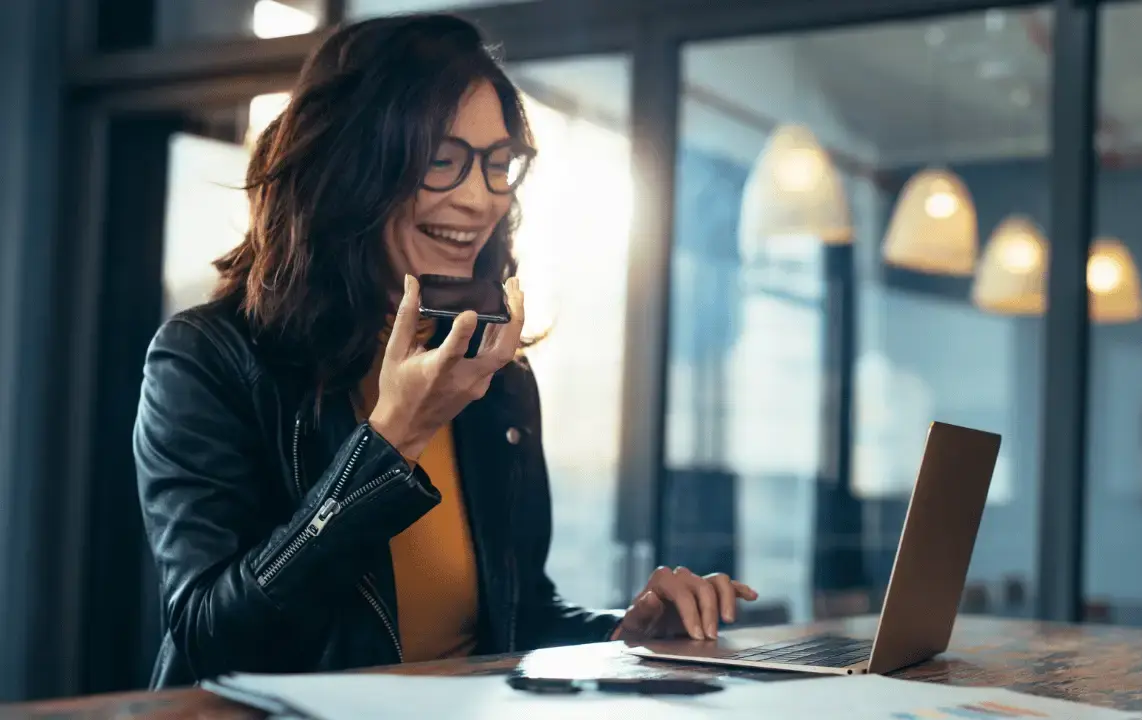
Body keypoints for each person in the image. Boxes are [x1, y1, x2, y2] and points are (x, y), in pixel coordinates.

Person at [133, 13, 757, 689]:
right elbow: (210, 638)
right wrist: (393, 438)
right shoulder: (205, 359)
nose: (479, 197)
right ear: (349, 166)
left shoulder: (497, 380)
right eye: (441, 159)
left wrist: (624, 632)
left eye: (497, 164)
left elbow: (513, 617)